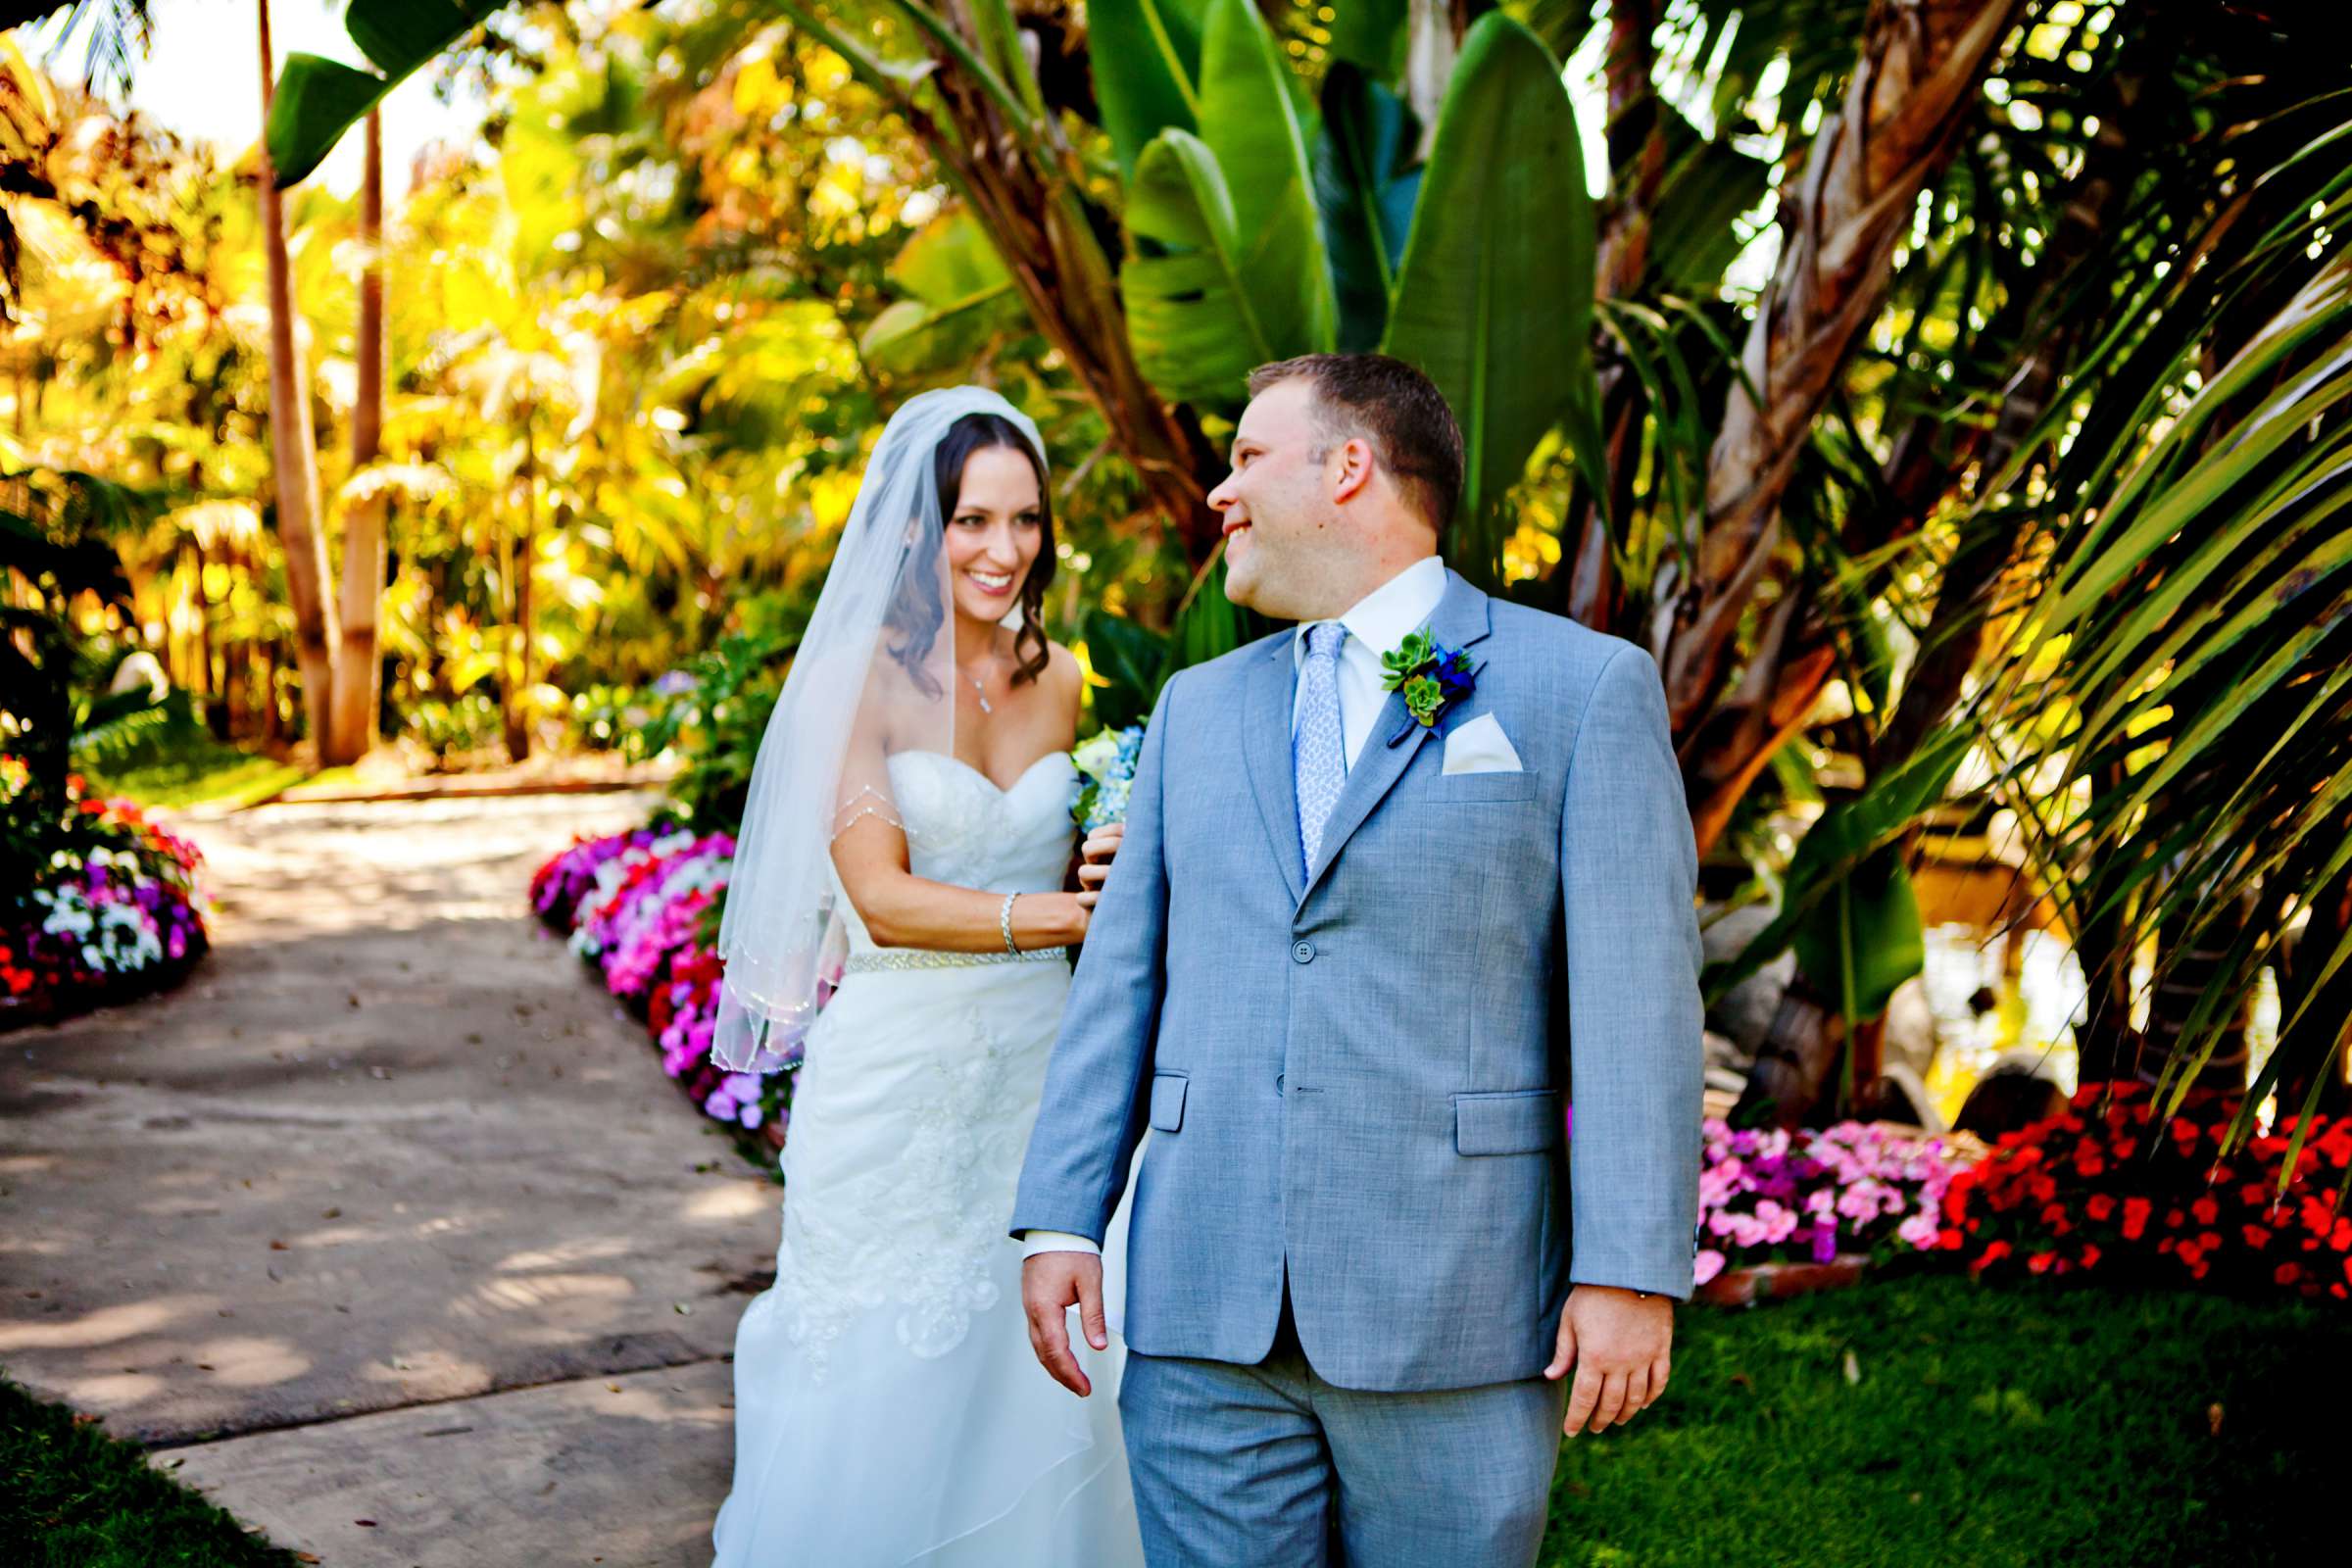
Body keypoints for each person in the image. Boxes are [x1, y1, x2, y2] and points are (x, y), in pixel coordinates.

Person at [1012, 353, 1705, 1566]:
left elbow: (1637, 1009)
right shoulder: (1195, 707)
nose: (1219, 496)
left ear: (1349, 467)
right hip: (1202, 1310)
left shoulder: (1580, 689)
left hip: (1456, 1304)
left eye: (1244, 460)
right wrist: (1063, 1217)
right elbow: (1125, 978)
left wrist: (1631, 1271)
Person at [708, 387, 1145, 1566]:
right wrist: (1071, 912)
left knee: (1038, 1358)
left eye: (1026, 521)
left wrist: (1106, 849)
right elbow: (884, 896)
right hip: (899, 1077)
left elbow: (1064, 849)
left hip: (1043, 1075)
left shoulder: (1063, 677)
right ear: (917, 530)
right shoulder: (861, 679)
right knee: (885, 1352)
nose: (1004, 551)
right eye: (971, 521)